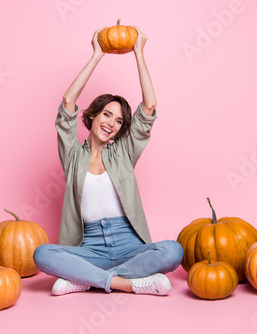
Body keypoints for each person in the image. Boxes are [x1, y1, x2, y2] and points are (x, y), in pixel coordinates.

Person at [33, 26, 183, 296]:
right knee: (42, 254)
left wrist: (138, 52)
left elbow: (149, 106)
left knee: (173, 251)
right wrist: (97, 55)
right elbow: (68, 101)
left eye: (118, 121)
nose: (111, 123)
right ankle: (125, 283)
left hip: (130, 246)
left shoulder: (123, 152)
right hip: (89, 247)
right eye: (106, 114)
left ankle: (85, 280)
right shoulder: (73, 156)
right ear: (92, 117)